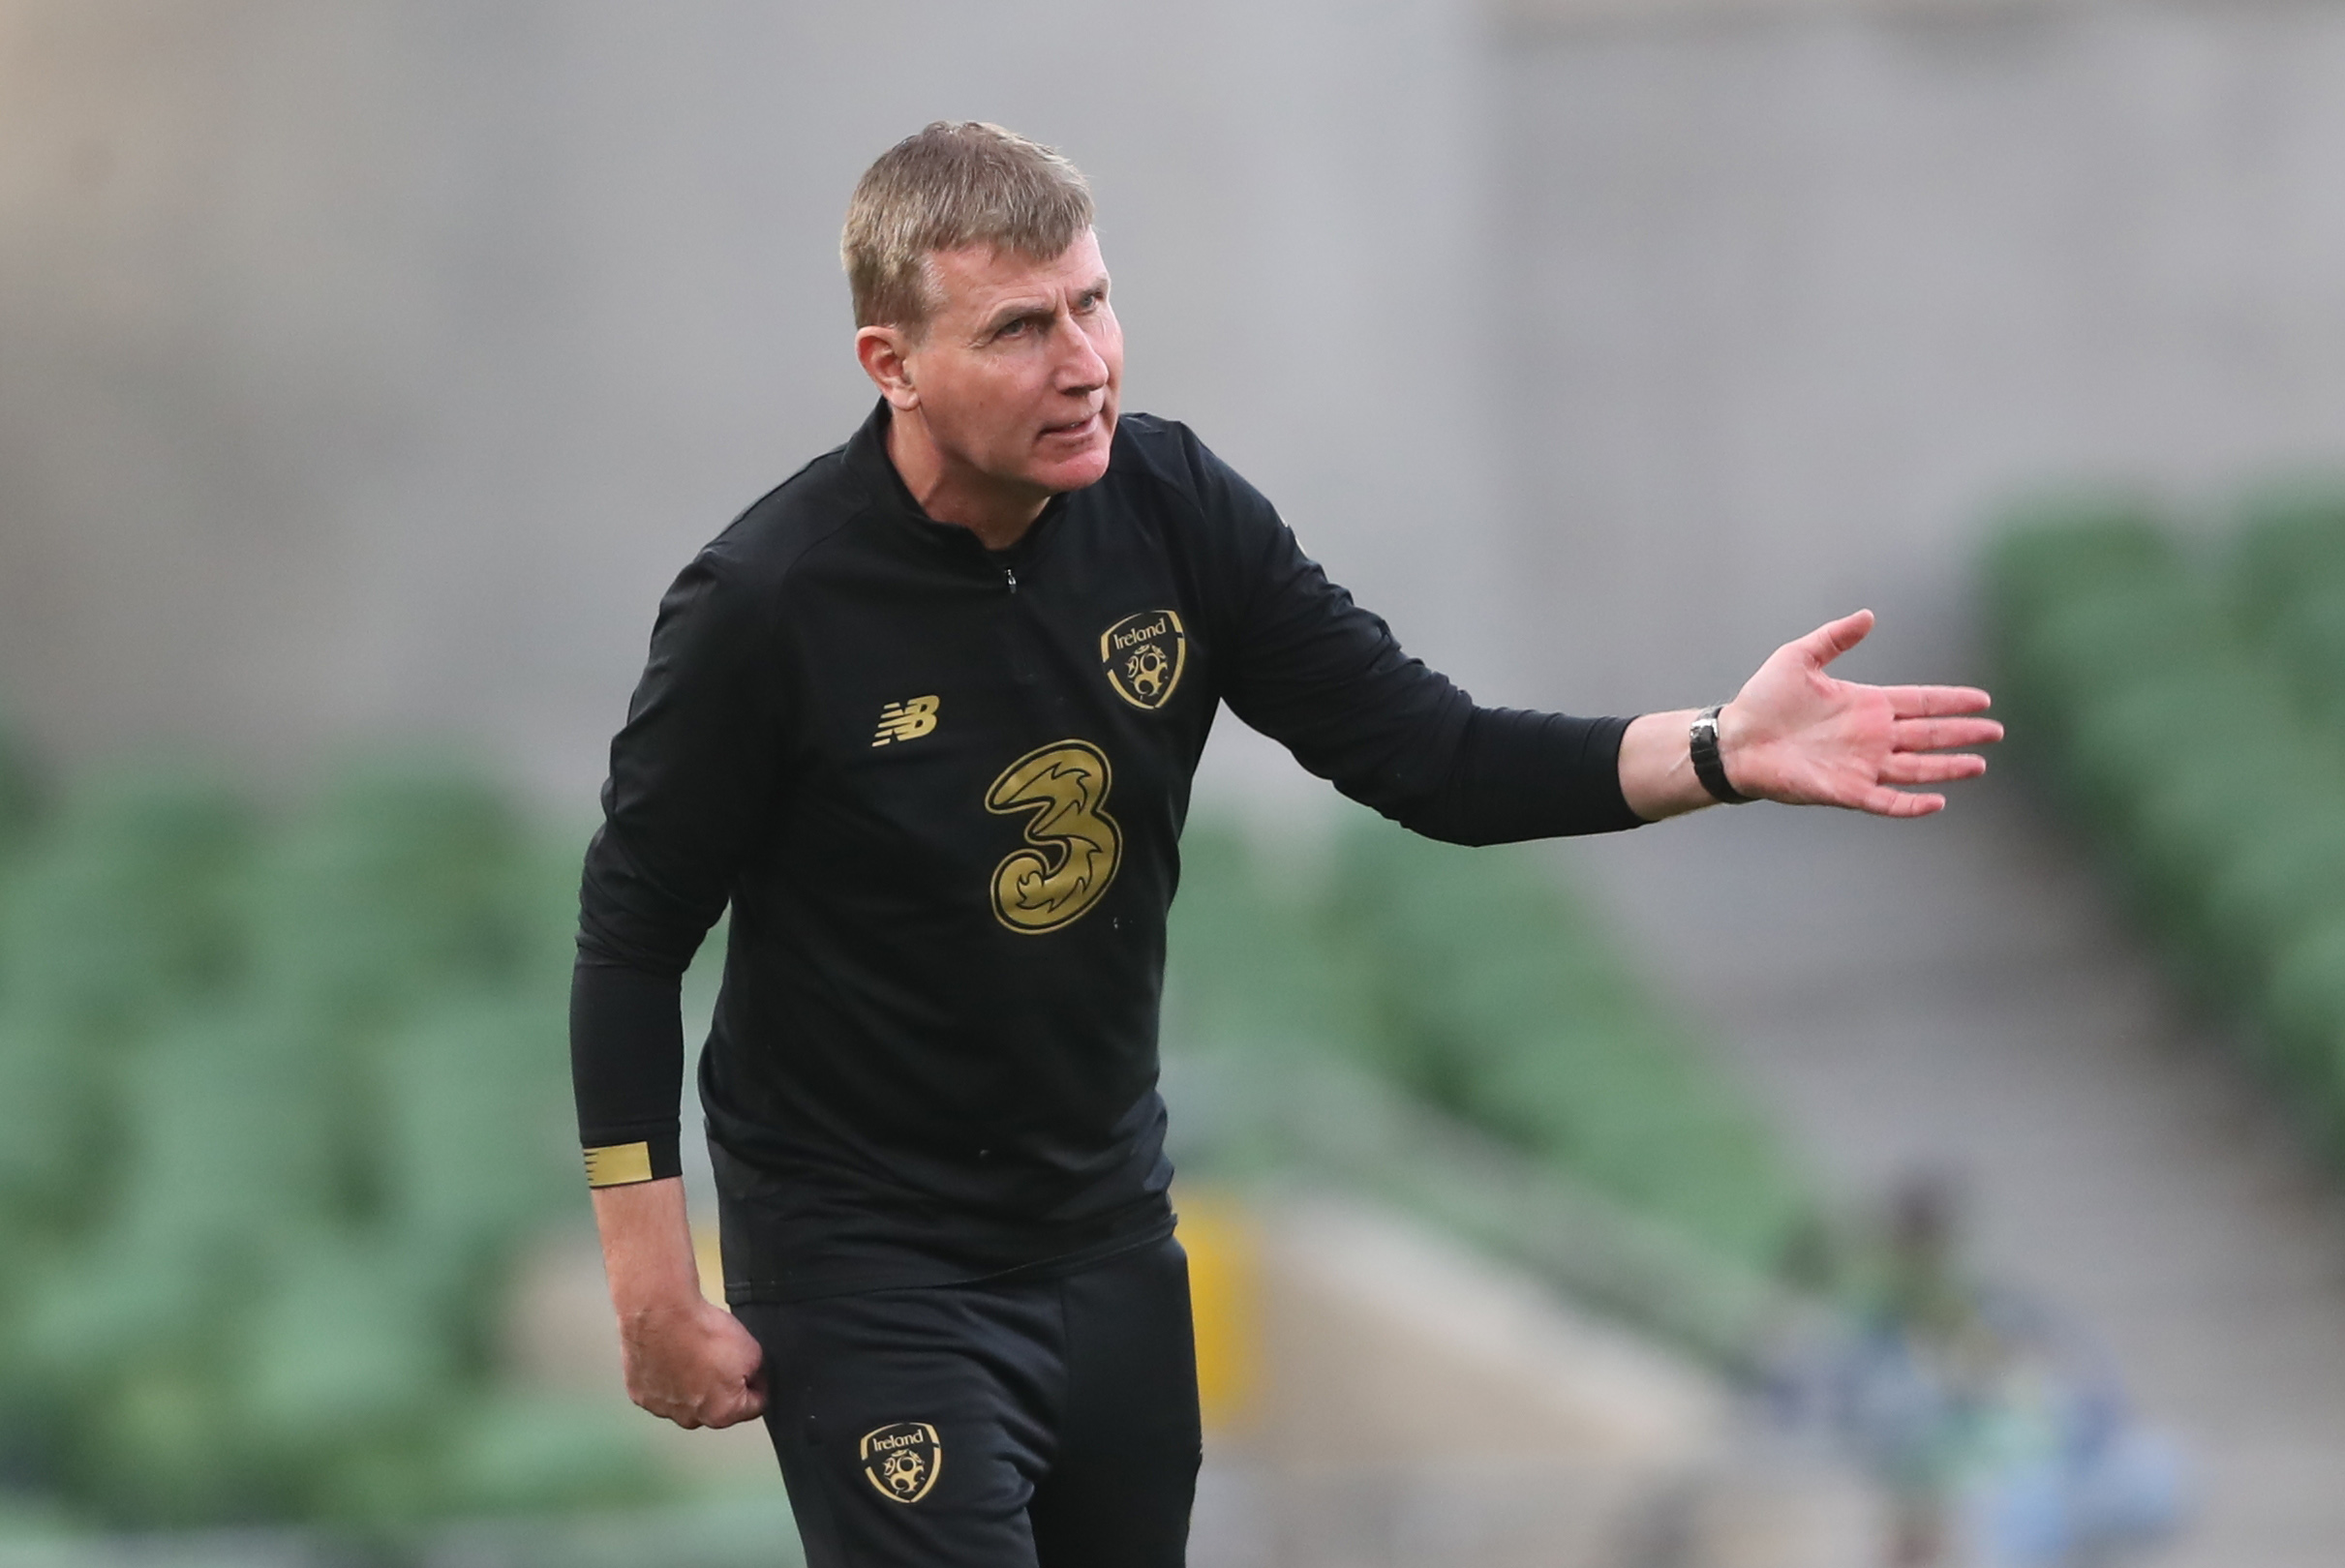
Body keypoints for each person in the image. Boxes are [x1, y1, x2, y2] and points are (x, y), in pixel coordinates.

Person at [568, 120, 2001, 1568]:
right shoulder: (765, 602)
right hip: (867, 1268)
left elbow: (1430, 756)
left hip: (1105, 1233)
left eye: (1092, 302)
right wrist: (651, 1285)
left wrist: (1720, 749)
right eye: (1018, 329)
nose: (1084, 361)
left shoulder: (1177, 508)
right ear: (892, 364)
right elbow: (630, 936)